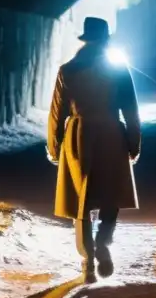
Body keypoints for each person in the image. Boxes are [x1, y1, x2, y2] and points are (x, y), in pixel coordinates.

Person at [46, 17, 141, 283]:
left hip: (79, 135)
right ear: (106, 40)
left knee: (81, 201)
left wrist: (55, 146)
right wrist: (133, 144)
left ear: (84, 41)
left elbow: (57, 113)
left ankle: (87, 262)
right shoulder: (119, 70)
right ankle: (104, 241)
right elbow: (132, 112)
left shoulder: (68, 70)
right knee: (111, 193)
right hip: (111, 133)